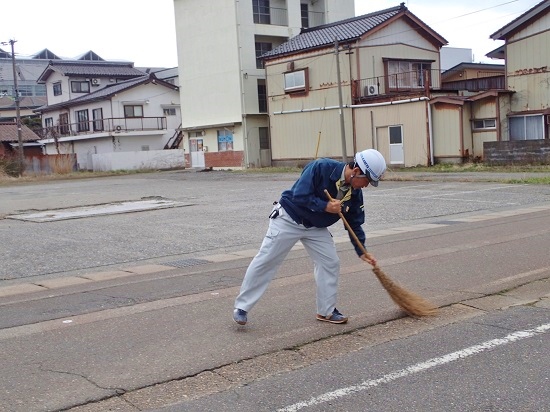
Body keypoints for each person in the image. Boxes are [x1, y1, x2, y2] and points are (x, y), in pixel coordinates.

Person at [233, 149, 387, 326]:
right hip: (289, 218)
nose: (366, 185)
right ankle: (242, 307)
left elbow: (354, 223)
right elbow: (300, 195)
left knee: (330, 262)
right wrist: (325, 206)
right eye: (367, 180)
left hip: (315, 227)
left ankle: (326, 311)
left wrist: (362, 251)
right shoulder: (321, 167)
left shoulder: (354, 193)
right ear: (357, 171)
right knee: (267, 260)